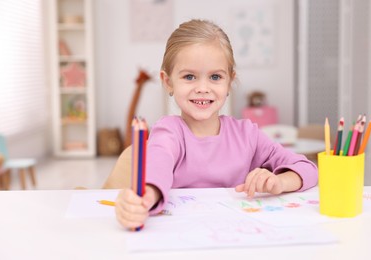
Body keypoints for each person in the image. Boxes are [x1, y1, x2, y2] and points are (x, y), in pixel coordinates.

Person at [115, 19, 318, 229]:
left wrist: (280, 182)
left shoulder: (248, 134)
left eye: (215, 77)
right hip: (183, 235)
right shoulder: (169, 132)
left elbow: (308, 169)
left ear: (229, 82)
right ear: (168, 82)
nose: (203, 88)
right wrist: (146, 196)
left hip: (236, 234)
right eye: (190, 76)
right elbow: (159, 164)